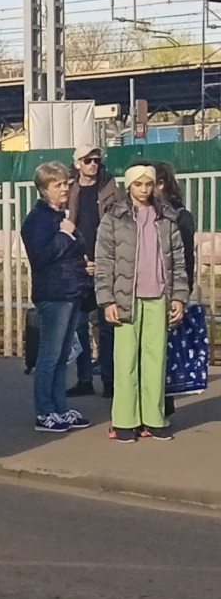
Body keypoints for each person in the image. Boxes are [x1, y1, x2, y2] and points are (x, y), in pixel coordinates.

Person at [95, 163, 188, 443]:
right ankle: (124, 422)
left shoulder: (166, 218)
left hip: (159, 296)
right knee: (125, 362)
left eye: (149, 184)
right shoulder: (114, 218)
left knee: (155, 360)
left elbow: (179, 263)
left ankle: (154, 420)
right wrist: (107, 299)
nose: (145, 190)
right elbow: (104, 262)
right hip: (126, 299)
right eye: (139, 185)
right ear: (129, 186)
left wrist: (180, 298)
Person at [20, 161, 94, 433]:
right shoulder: (37, 220)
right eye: (58, 185)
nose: (64, 188)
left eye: (66, 183)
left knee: (63, 355)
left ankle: (60, 408)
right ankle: (44, 412)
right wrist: (65, 234)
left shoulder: (59, 216)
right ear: (43, 189)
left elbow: (72, 250)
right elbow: (42, 257)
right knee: (49, 356)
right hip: (54, 293)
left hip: (71, 290)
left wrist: (83, 264)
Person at [66, 145, 120, 397]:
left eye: (97, 160)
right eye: (88, 160)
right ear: (77, 163)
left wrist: (105, 260)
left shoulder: (110, 187)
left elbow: (120, 225)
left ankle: (110, 381)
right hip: (78, 264)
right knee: (79, 325)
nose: (93, 164)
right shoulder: (70, 188)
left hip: (105, 264)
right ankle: (84, 379)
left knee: (106, 326)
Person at [153, 161, 196, 420]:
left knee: (166, 350)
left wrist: (182, 294)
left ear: (161, 184)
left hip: (168, 289)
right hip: (149, 288)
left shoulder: (179, 216)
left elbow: (185, 260)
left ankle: (164, 404)